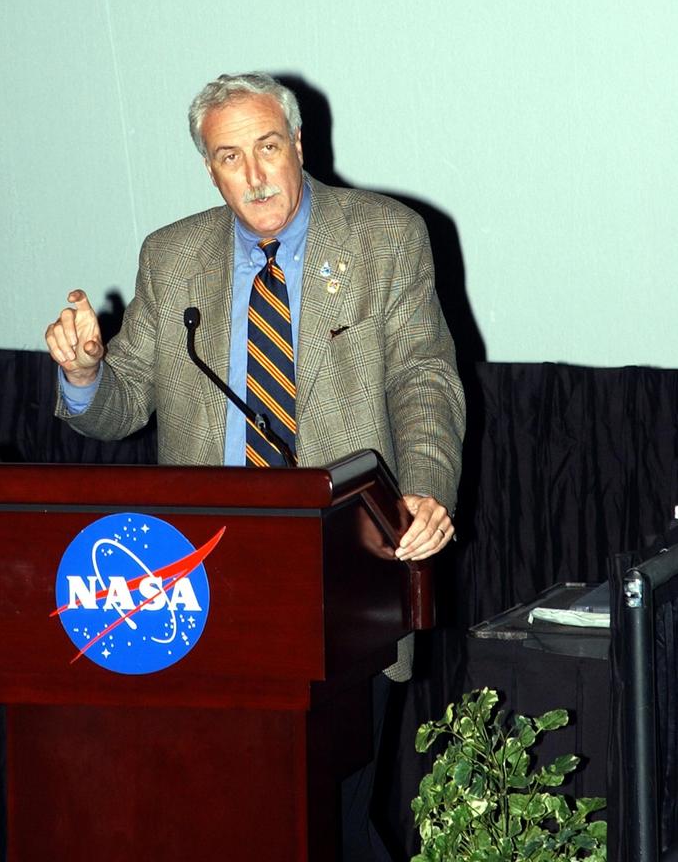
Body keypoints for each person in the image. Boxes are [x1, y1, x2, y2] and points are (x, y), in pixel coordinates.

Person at [45, 71, 465, 859]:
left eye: (268, 147)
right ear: (210, 169)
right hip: (204, 584)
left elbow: (423, 377)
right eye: (230, 156)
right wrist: (84, 375)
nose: (255, 174)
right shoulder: (170, 258)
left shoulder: (383, 236)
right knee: (220, 809)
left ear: (299, 146)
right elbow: (123, 405)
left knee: (327, 814)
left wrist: (423, 492)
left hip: (340, 579)